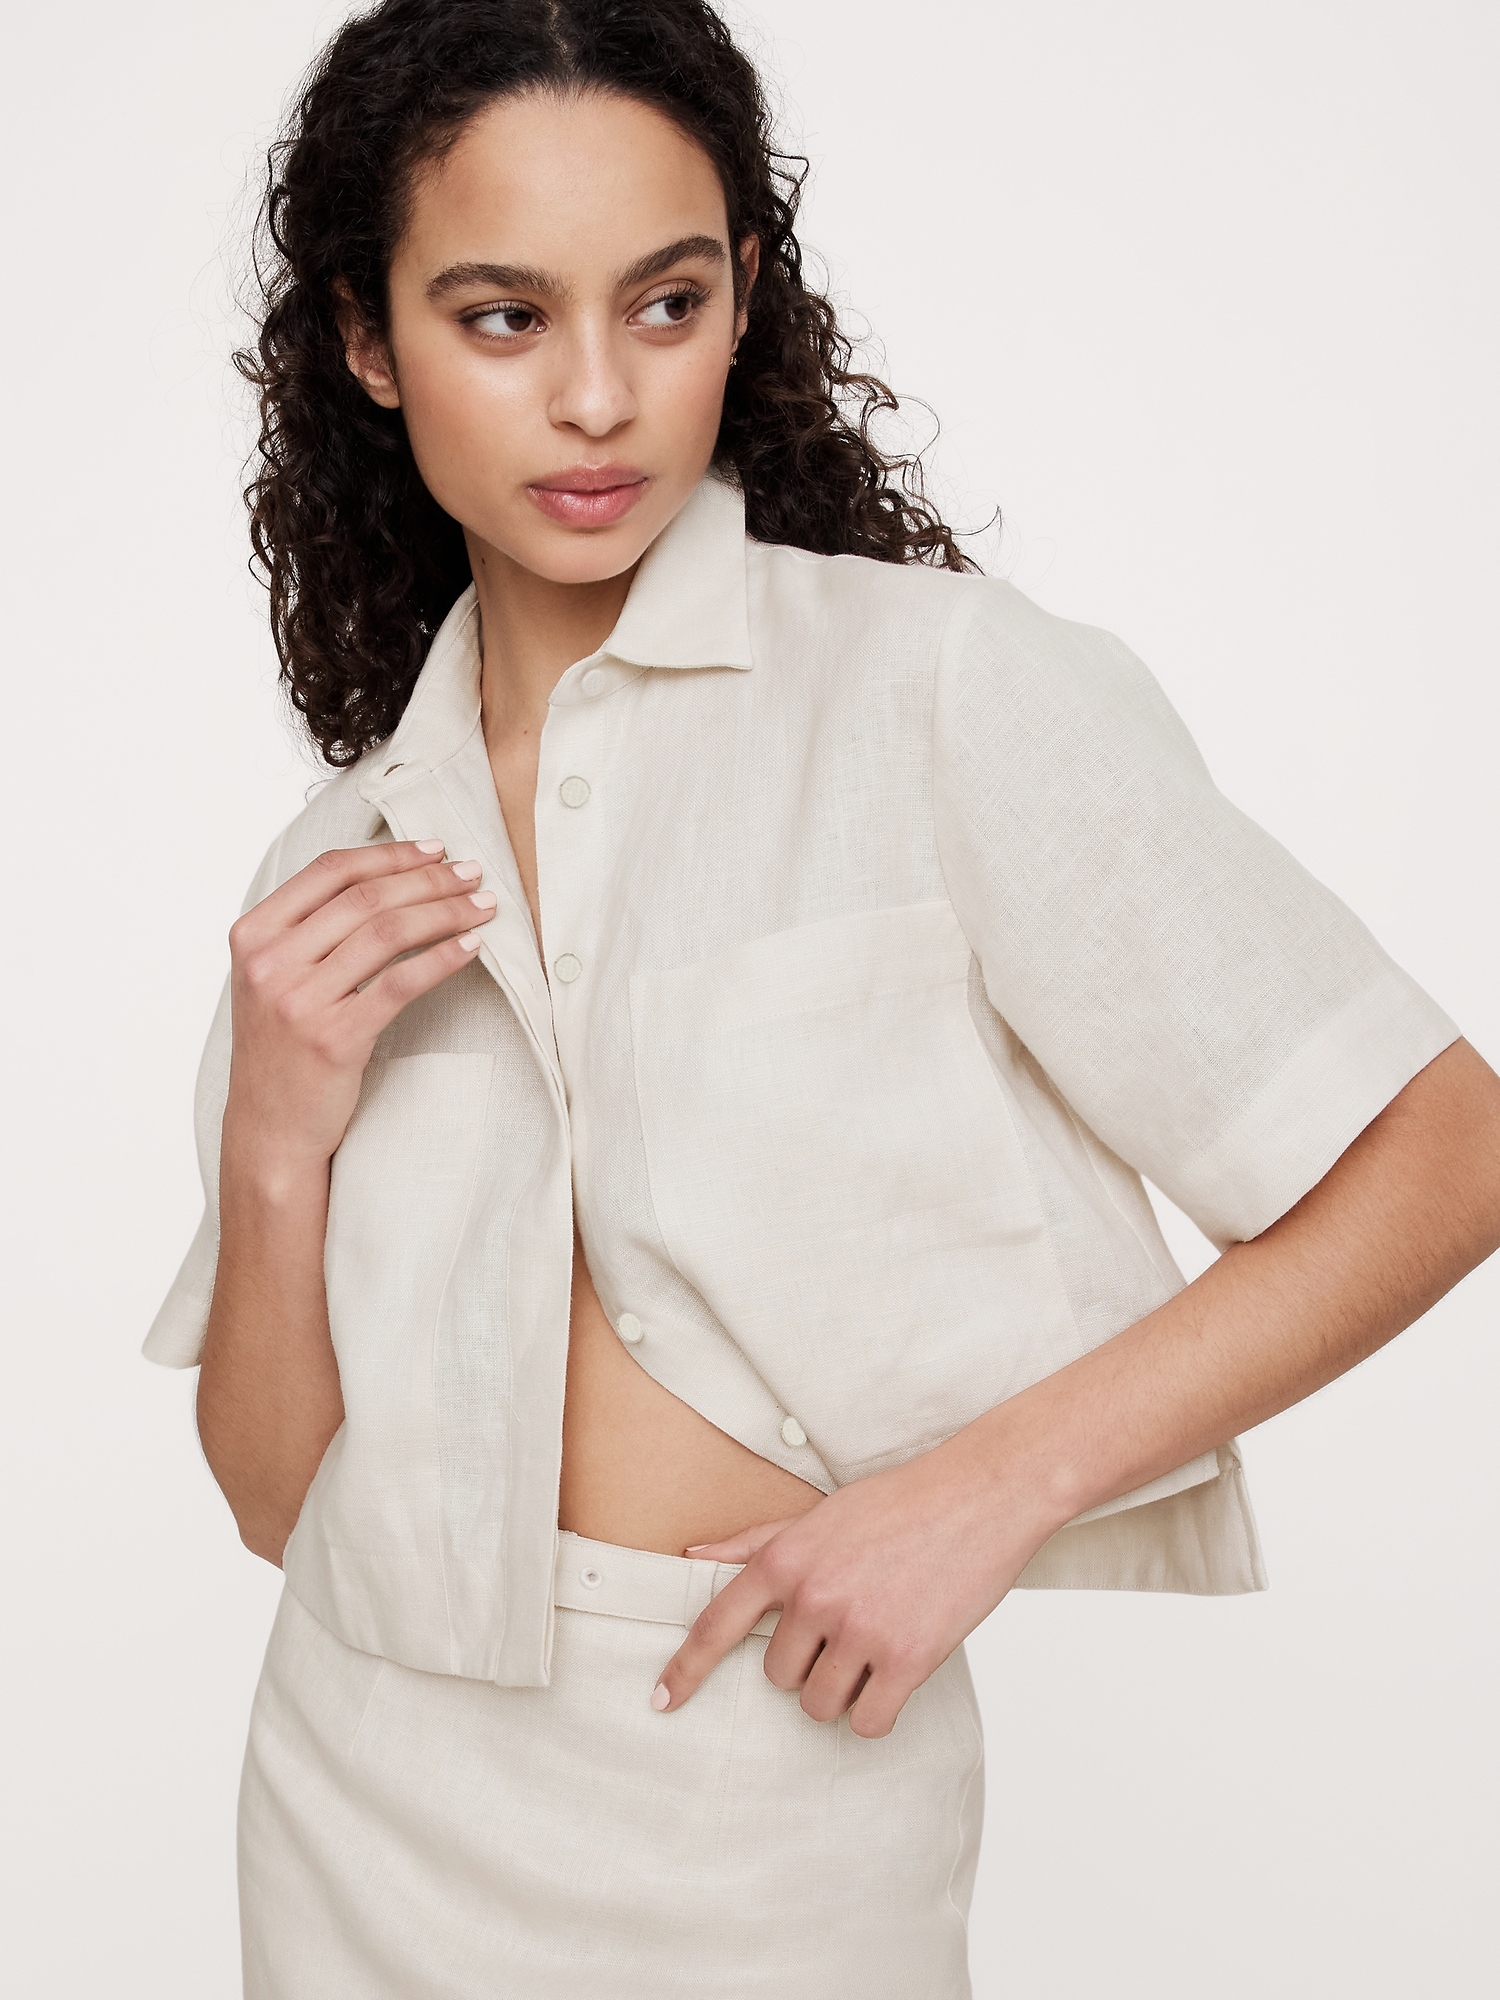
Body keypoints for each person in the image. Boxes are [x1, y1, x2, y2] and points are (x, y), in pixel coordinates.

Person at [144, 1, 1500, 1993]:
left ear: (743, 300)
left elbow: (1442, 1150)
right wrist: (278, 1140)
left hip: (773, 1795)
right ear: (367, 338)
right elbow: (283, 1503)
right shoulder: (336, 856)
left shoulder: (933, 692)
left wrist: (987, 1490)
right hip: (357, 1803)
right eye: (503, 318)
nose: (595, 397)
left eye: (665, 304)